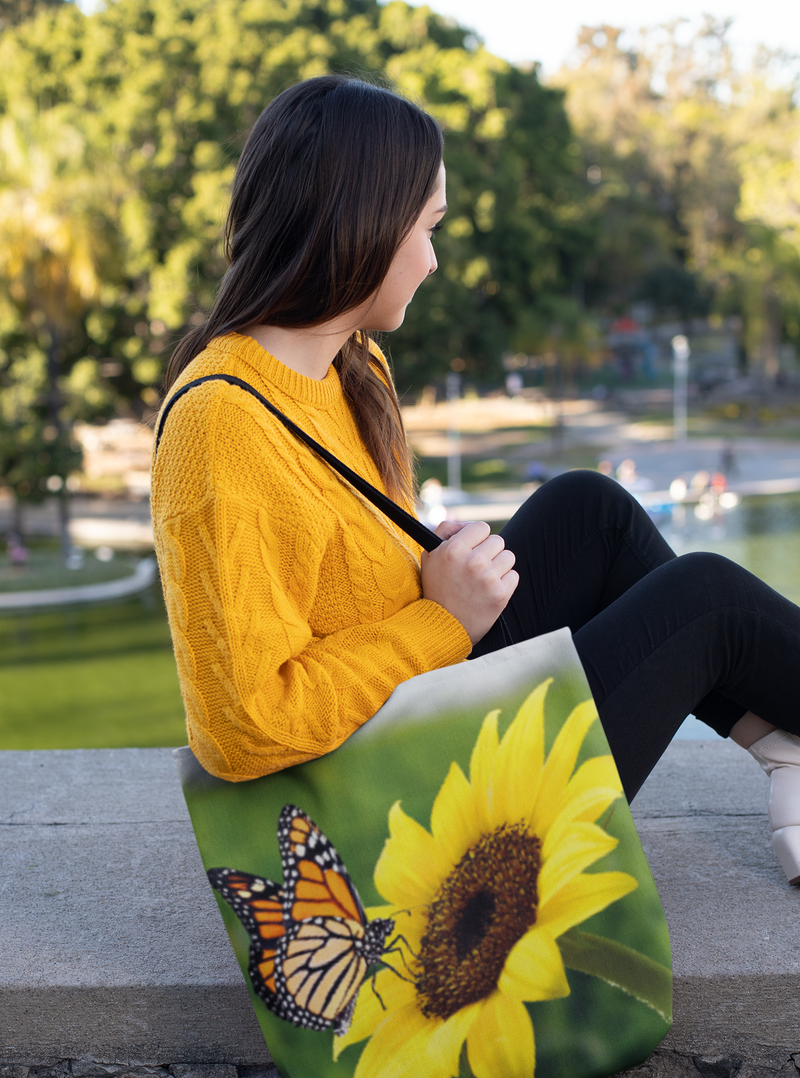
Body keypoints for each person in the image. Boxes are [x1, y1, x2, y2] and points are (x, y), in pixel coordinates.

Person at [152, 75, 800, 887]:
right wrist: (439, 618)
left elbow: (343, 581)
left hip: (420, 724)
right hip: (401, 830)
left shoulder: (354, 368)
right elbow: (242, 728)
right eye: (427, 229)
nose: (432, 259)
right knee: (708, 600)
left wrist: (426, 564)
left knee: (586, 508)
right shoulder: (221, 426)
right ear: (362, 227)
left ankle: (787, 746)